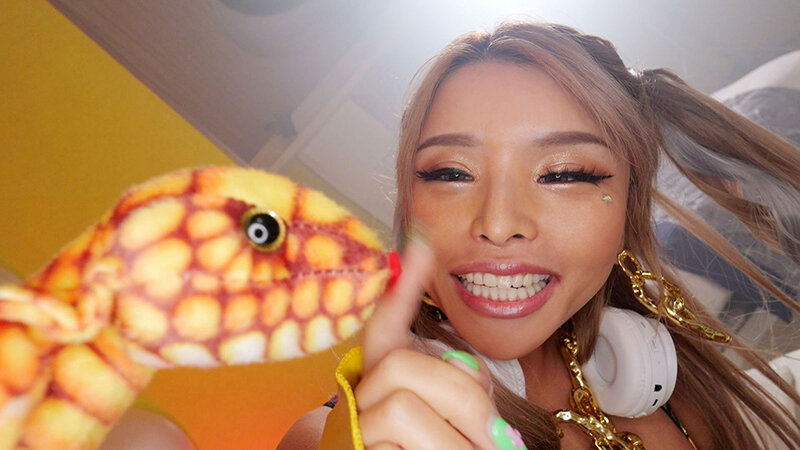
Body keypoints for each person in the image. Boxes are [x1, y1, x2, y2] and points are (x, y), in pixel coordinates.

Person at [279, 21, 800, 449]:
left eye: (564, 174)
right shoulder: (329, 438)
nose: (497, 224)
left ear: (629, 206)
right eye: (450, 173)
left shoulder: (675, 382)